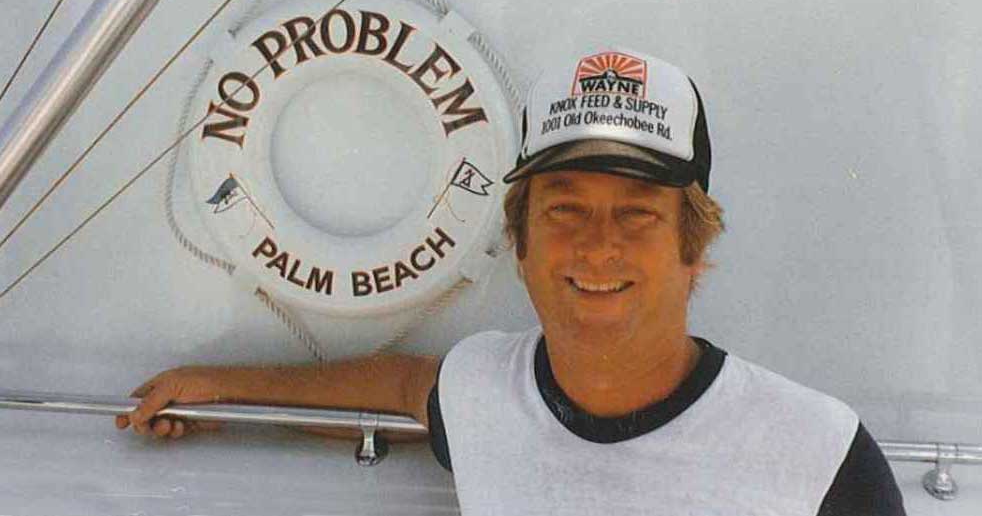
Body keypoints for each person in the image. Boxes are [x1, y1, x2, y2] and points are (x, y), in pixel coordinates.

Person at [117, 47, 906, 516]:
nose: (598, 247)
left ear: (693, 250)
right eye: (565, 210)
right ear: (521, 246)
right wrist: (220, 387)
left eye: (637, 215)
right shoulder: (485, 390)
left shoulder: (820, 454)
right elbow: (397, 389)